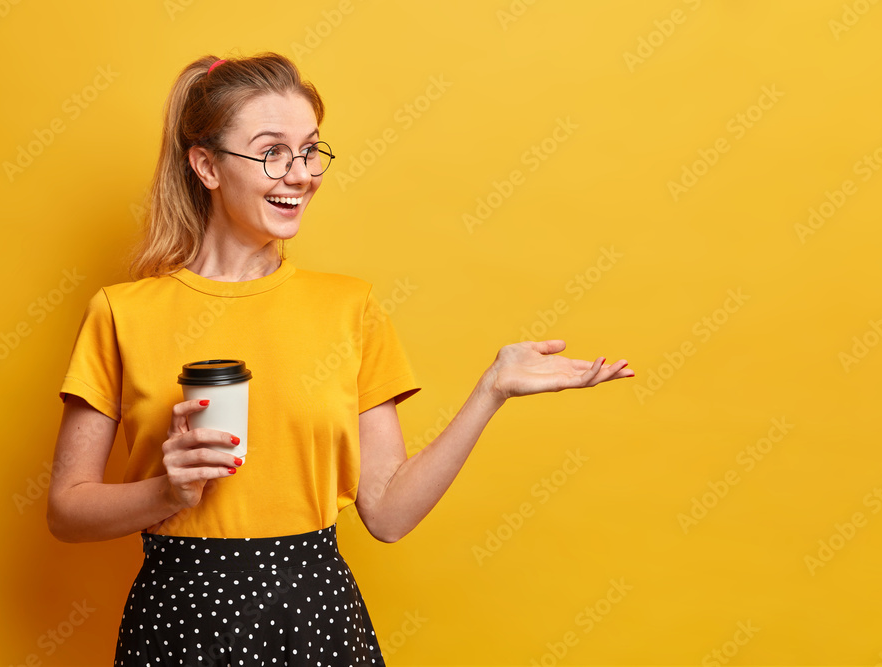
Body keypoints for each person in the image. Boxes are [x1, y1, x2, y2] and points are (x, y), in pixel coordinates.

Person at [46, 51, 635, 666]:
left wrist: (492, 390)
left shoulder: (350, 308)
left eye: (310, 151)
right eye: (272, 151)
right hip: (180, 620)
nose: (299, 174)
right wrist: (167, 491)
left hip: (315, 619)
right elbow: (67, 510)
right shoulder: (121, 313)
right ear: (206, 166)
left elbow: (386, 513)